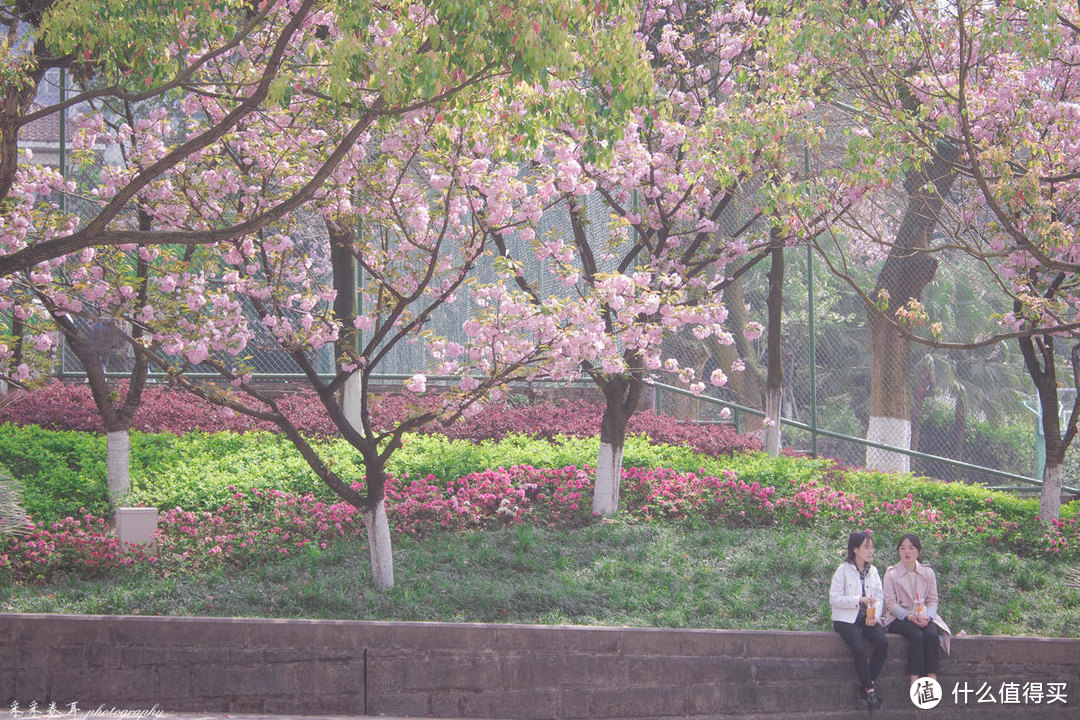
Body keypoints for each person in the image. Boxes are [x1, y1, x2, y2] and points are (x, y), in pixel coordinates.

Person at [882, 533, 952, 687]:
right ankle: (914, 677)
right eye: (902, 548)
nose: (906, 552)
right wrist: (909, 616)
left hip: (924, 615)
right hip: (899, 617)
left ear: (918, 551)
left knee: (931, 634)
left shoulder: (928, 573)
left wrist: (928, 616)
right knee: (915, 635)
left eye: (911, 548)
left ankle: (931, 676)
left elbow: (933, 600)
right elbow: (891, 603)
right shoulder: (891, 574)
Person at [830, 530, 888, 712]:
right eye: (866, 547)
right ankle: (870, 691)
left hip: (867, 618)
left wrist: (875, 616)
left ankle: (868, 682)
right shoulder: (843, 570)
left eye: (872, 548)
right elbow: (834, 598)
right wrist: (858, 599)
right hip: (845, 619)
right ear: (855, 549)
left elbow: (879, 596)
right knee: (859, 649)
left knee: (882, 642)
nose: (871, 551)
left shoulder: (874, 571)